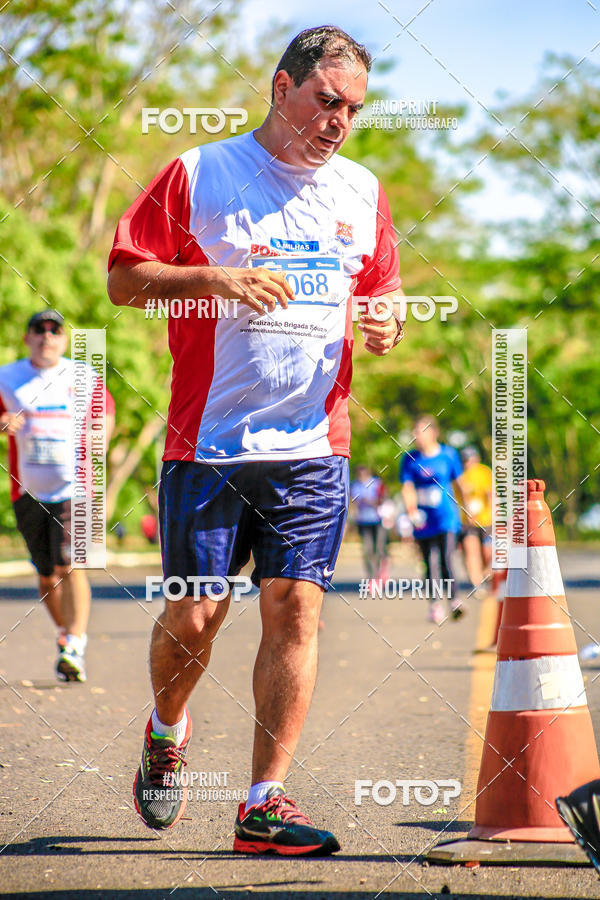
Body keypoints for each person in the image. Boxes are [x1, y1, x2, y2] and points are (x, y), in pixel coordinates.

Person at [108, 25, 404, 856]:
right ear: (283, 89)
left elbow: (384, 289)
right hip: (208, 443)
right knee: (198, 613)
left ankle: (262, 806)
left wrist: (388, 319)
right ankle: (168, 730)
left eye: (353, 109)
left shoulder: (361, 189)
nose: (339, 120)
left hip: (315, 441)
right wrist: (215, 277)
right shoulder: (201, 173)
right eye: (326, 101)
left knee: (297, 609)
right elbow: (125, 276)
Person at [0, 309, 114, 682]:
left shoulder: (83, 375)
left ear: (64, 338)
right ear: (27, 337)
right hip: (28, 489)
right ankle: (67, 635)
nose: (46, 336)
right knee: (48, 576)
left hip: (75, 488)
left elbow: (106, 412)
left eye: (54, 330)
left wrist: (100, 439)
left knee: (71, 566)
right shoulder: (7, 377)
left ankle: (75, 644)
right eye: (38, 329)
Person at [399, 415, 464, 624]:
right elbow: (407, 487)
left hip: (447, 517)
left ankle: (454, 601)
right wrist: (411, 511)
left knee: (446, 558)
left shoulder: (448, 455)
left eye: (421, 431)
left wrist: (469, 507)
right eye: (415, 432)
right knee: (429, 563)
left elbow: (460, 483)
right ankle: (435, 605)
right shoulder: (410, 459)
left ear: (434, 433)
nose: (417, 436)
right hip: (424, 519)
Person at [457, 446, 493, 599]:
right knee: (471, 552)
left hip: (485, 520)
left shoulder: (484, 472)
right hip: (466, 523)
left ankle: (486, 574)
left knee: (487, 553)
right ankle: (477, 584)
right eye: (464, 460)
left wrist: (494, 514)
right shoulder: (458, 475)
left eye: (469, 460)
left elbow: (490, 494)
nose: (467, 463)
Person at [350, 466, 387, 589]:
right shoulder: (354, 485)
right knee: (367, 550)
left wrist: (370, 502)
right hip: (362, 521)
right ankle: (372, 578)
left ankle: (381, 569)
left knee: (379, 549)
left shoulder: (376, 483)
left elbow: (383, 500)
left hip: (377, 520)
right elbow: (352, 502)